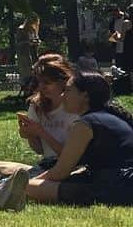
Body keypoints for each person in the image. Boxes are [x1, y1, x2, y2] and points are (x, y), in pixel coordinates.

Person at [27, 72, 133, 206]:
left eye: (68, 90)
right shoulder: (108, 116)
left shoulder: (85, 123)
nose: (62, 95)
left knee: (28, 187)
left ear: (85, 96)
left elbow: (60, 172)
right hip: (121, 181)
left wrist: (30, 182)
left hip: (118, 186)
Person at [17, 56, 77, 168]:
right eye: (39, 82)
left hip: (72, 168)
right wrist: (30, 135)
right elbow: (39, 150)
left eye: (47, 82)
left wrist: (40, 131)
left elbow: (70, 157)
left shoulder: (75, 108)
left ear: (63, 81)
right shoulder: (36, 106)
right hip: (48, 165)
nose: (41, 87)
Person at [15, 15, 41, 82]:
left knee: (36, 70)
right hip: (24, 53)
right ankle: (26, 85)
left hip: (33, 53)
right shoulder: (21, 29)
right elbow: (18, 42)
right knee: (27, 72)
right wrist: (28, 42)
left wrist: (37, 41)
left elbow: (36, 38)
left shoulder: (33, 30)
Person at [108, 6, 131, 70]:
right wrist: (111, 38)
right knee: (119, 67)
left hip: (128, 46)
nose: (113, 16)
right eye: (112, 15)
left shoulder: (127, 17)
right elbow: (111, 33)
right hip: (117, 47)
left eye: (114, 14)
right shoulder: (112, 21)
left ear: (118, 11)